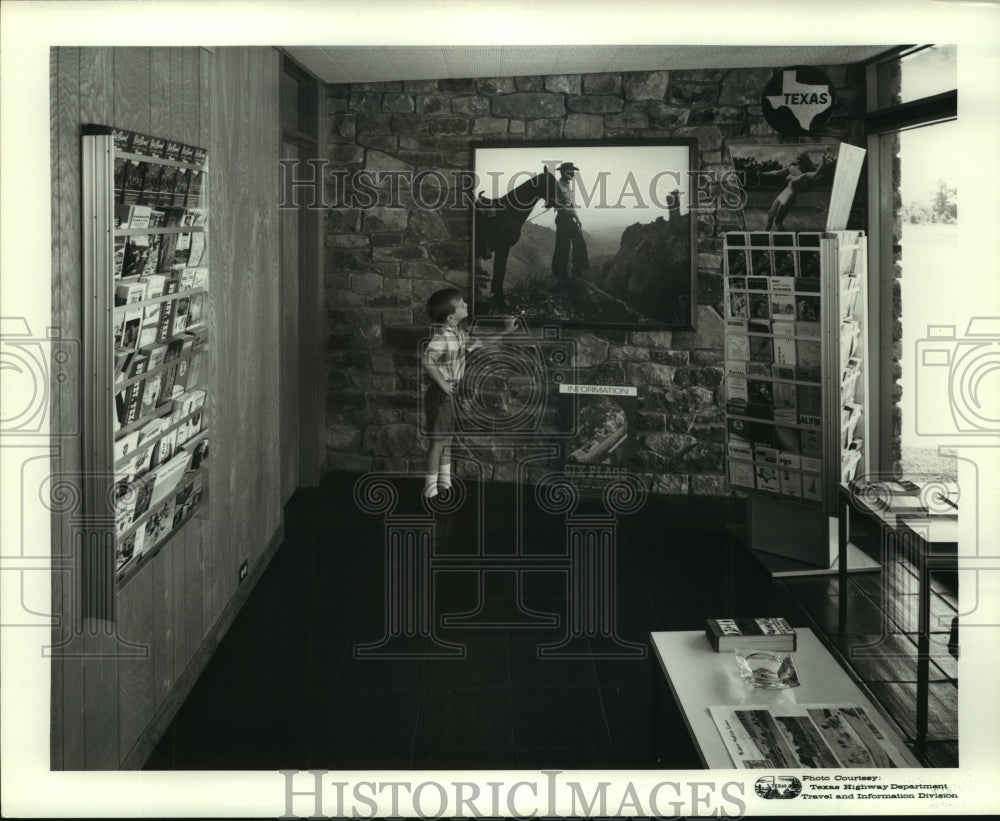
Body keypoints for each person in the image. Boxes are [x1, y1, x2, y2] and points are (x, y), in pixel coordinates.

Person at [422, 288, 516, 499]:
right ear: (451, 317)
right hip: (441, 394)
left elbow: (481, 343)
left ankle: (444, 484)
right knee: (437, 442)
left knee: (446, 440)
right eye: (462, 304)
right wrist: (443, 384)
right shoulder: (443, 337)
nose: (466, 305)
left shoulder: (458, 333)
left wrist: (506, 331)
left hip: (449, 393)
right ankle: (430, 491)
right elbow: (428, 361)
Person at [761, 152, 828, 230]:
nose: (797, 160)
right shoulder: (792, 168)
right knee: (770, 215)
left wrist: (823, 161)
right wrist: (763, 174)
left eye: (799, 159)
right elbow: (777, 173)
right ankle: (765, 234)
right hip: (783, 193)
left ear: (804, 161)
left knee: (778, 222)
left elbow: (816, 174)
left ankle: (784, 238)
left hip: (790, 196)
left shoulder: (805, 174)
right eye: (797, 158)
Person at [551, 161, 589, 282]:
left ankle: (579, 269)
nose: (573, 174)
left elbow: (571, 203)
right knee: (563, 246)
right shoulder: (557, 186)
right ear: (564, 172)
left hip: (570, 218)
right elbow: (554, 202)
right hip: (562, 218)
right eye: (571, 172)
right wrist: (560, 206)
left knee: (580, 242)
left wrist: (576, 218)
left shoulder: (568, 186)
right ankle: (560, 273)